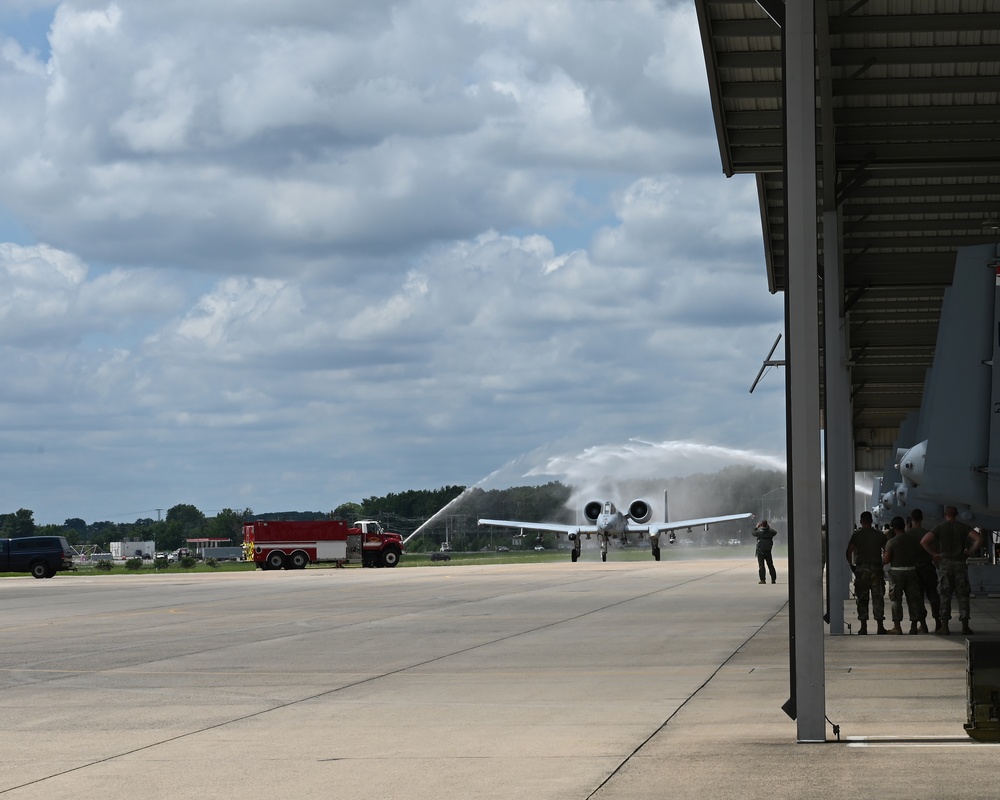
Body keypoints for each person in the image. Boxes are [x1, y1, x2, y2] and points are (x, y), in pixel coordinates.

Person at [920, 506, 983, 635]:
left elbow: (924, 541)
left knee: (944, 596)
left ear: (945, 514)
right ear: (957, 514)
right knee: (963, 596)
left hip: (945, 565)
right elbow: (979, 539)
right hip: (960, 564)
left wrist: (934, 554)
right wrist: (969, 552)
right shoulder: (963, 527)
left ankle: (944, 627)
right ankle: (965, 626)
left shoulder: (939, 527)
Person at [846, 511, 887, 635]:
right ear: (871, 521)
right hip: (876, 569)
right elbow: (887, 550)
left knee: (862, 598)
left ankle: (863, 627)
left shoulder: (856, 535)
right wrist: (882, 564)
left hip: (861, 569)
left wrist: (851, 566)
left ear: (861, 521)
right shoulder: (879, 535)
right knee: (878, 597)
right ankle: (880, 626)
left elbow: (849, 552)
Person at [883, 516, 924, 634]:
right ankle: (914, 626)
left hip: (896, 573)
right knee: (913, 599)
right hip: (911, 571)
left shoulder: (891, 542)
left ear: (893, 527)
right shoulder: (912, 540)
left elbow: (886, 560)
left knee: (896, 599)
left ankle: (897, 627)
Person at [906, 509, 939, 633]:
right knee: (933, 595)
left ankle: (923, 624)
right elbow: (934, 553)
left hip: (913, 569)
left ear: (911, 518)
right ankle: (938, 622)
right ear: (922, 518)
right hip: (927, 567)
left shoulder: (907, 534)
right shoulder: (928, 533)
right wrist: (938, 567)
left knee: (917, 597)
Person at [753, 520, 777, 584]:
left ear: (761, 525)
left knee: (761, 566)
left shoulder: (759, 532)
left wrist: (756, 527)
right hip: (768, 551)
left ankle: (763, 580)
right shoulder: (770, 532)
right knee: (770, 565)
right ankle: (773, 579)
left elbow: (753, 533)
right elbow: (775, 532)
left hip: (761, 551)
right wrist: (769, 527)